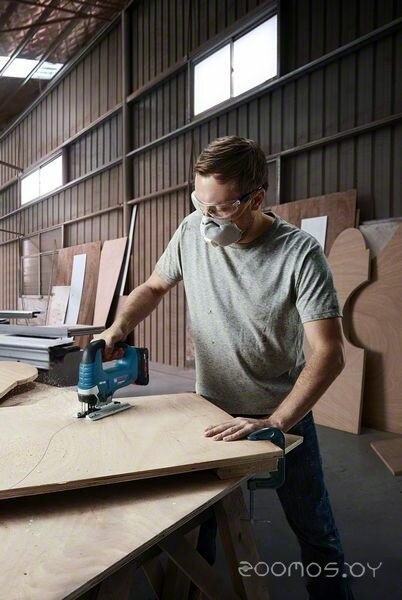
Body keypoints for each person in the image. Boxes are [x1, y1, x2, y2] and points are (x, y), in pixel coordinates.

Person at [98, 136, 353, 599]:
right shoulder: (191, 230)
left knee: (315, 531)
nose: (207, 219)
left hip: (280, 414)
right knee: (203, 530)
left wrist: (276, 421)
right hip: (211, 411)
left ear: (256, 198)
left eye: (221, 208)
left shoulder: (299, 254)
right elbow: (153, 287)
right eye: (200, 204)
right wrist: (117, 328)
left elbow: (329, 353)